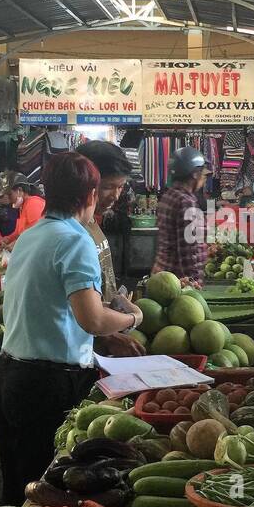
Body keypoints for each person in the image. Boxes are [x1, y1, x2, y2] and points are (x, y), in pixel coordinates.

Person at [0, 152, 146, 505]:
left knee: (19, 487)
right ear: (90, 195)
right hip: (45, 384)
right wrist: (133, 318)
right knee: (49, 490)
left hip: (10, 374)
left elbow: (53, 303)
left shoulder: (33, 234)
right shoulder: (76, 241)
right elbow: (92, 319)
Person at [76, 140, 145, 358]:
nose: (115, 196)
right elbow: (58, 303)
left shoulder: (91, 221)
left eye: (121, 186)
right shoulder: (70, 233)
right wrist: (106, 335)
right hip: (82, 350)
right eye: (108, 187)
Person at [152, 146, 209, 285]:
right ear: (195, 174)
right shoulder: (186, 202)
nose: (204, 178)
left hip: (164, 273)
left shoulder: (169, 195)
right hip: (178, 281)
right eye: (203, 174)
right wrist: (193, 281)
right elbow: (188, 250)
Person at [1, 181, 45, 248]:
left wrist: (16, 243)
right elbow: (19, 231)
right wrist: (8, 239)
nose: (10, 200)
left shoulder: (33, 202)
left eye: (10, 195)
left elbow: (36, 229)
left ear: (20, 190)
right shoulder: (23, 207)